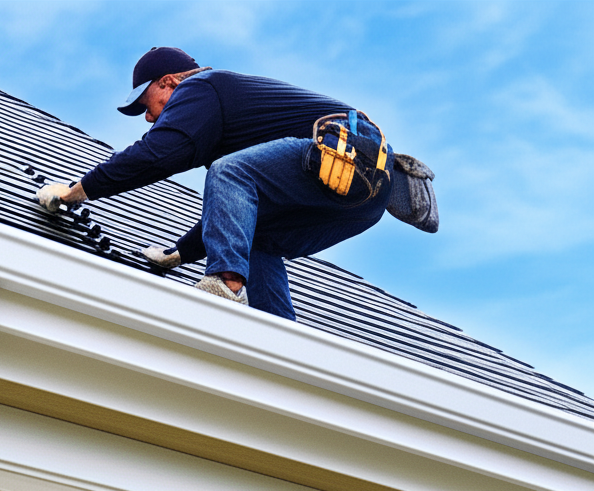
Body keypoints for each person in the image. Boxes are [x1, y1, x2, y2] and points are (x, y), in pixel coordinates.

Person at [37, 47, 395, 321]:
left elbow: (156, 154)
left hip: (346, 151)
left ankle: (225, 286)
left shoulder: (200, 88)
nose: (147, 117)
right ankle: (279, 338)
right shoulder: (227, 121)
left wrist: (77, 190)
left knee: (228, 172)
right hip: (366, 198)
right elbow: (233, 216)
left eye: (148, 104)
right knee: (256, 236)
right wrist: (180, 252)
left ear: (169, 82)